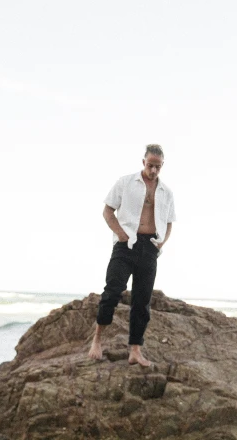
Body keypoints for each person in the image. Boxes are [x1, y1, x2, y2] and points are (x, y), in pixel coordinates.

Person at [88, 144, 176, 367]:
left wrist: (160, 244)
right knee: (112, 292)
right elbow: (107, 211)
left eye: (158, 166)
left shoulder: (166, 192)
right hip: (125, 245)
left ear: (162, 165)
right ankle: (97, 340)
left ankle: (135, 350)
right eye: (150, 165)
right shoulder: (126, 182)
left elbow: (168, 222)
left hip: (150, 248)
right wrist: (120, 234)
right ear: (143, 162)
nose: (153, 170)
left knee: (142, 301)